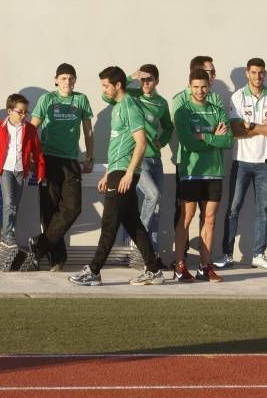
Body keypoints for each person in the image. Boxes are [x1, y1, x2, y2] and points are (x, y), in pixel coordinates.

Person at [69, 67, 167, 287]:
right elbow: (117, 145)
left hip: (125, 172)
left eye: (106, 85)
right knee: (134, 225)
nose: (104, 90)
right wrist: (107, 173)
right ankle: (153, 270)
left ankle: (93, 271)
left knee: (109, 223)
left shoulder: (130, 107)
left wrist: (129, 174)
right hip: (116, 171)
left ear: (118, 85)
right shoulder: (118, 107)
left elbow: (141, 143)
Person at [28, 63, 94, 272]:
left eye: (71, 78)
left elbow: (88, 131)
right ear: (56, 80)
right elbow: (32, 128)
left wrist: (90, 157)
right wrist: (30, 154)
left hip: (71, 160)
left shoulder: (81, 99)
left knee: (73, 208)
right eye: (63, 78)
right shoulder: (47, 99)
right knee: (50, 210)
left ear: (75, 80)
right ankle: (57, 259)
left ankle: (39, 245)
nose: (67, 82)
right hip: (48, 159)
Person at [216, 58, 267, 270]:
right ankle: (227, 254)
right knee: (233, 209)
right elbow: (235, 131)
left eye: (261, 72)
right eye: (253, 72)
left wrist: (250, 126)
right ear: (247, 73)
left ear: (265, 74)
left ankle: (258, 254)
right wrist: (262, 128)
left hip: (265, 163)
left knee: (263, 209)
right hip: (241, 162)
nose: (258, 76)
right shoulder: (237, 97)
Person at [172, 67, 232, 283]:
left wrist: (202, 136)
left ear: (209, 86)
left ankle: (205, 267)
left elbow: (227, 141)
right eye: (196, 87)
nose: (200, 91)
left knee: (210, 221)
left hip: (214, 173)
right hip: (191, 173)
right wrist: (212, 137)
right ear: (189, 87)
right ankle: (180, 267)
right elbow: (188, 144)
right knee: (185, 219)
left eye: (203, 87)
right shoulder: (183, 111)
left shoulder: (217, 110)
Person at [0, 94, 46, 248]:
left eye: (26, 112)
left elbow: (37, 152)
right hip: (4, 170)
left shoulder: (29, 129)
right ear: (9, 111)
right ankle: (7, 234)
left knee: (14, 204)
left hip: (20, 171)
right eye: (20, 112)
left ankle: (9, 233)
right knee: (9, 202)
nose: (24, 115)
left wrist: (41, 171)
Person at [126, 64, 174, 255]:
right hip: (137, 158)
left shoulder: (161, 103)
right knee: (152, 196)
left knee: (156, 207)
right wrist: (131, 76)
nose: (146, 83)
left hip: (155, 159)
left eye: (150, 79)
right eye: (143, 79)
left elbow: (168, 128)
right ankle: (137, 240)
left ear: (157, 81)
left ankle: (151, 253)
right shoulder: (131, 95)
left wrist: (161, 142)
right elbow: (109, 96)